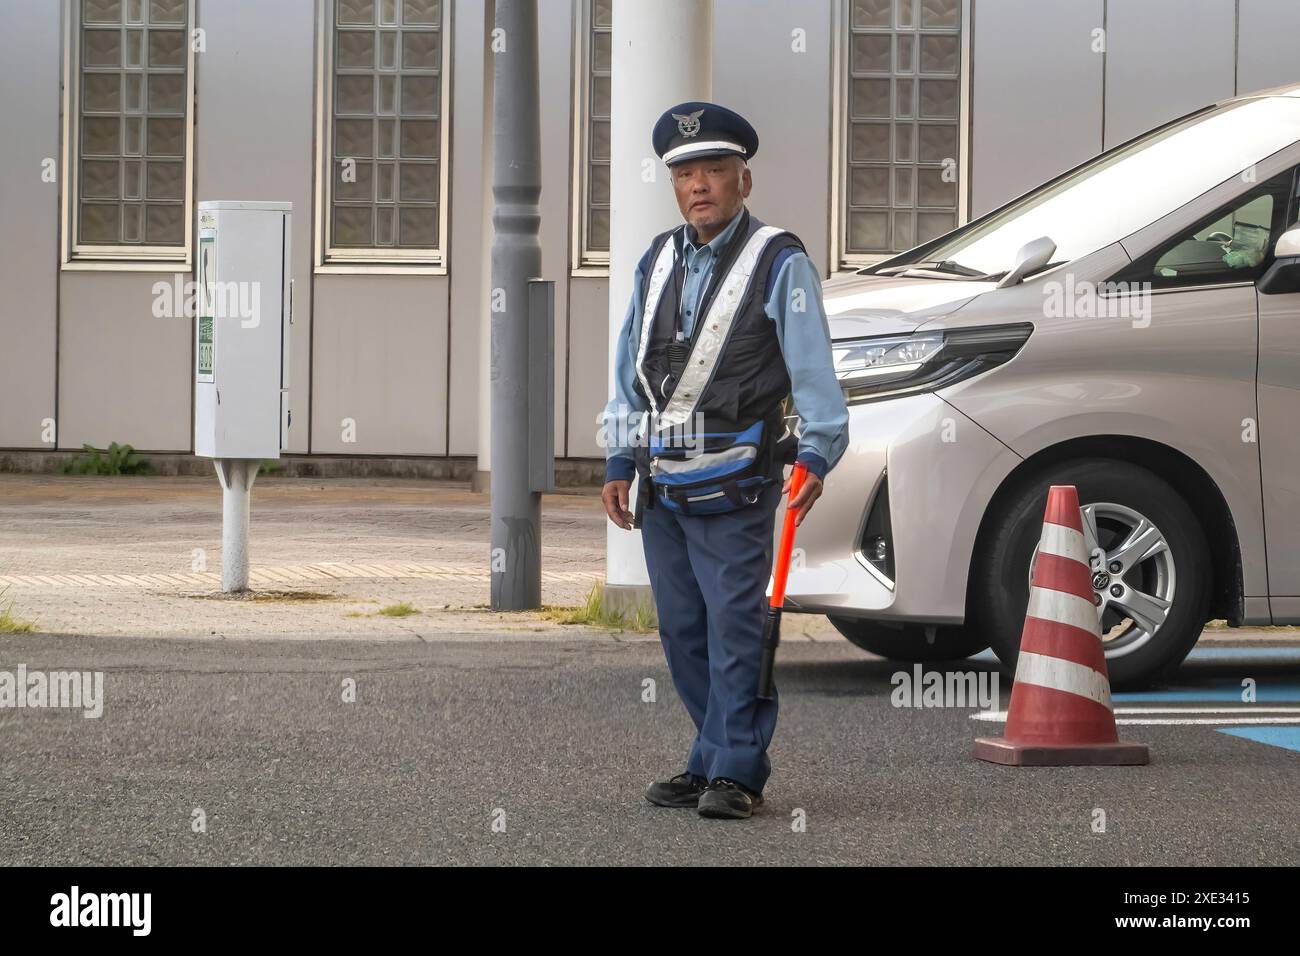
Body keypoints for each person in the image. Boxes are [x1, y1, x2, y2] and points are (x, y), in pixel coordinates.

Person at [600, 102, 849, 820]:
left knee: (735, 629)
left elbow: (813, 373)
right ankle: (710, 756)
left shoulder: (781, 260)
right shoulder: (657, 258)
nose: (698, 185)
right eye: (685, 173)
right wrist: (619, 456)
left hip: (737, 480)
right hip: (660, 485)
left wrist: (817, 453)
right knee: (682, 631)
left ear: (744, 178)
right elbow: (628, 367)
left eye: (713, 170)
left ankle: (737, 769)